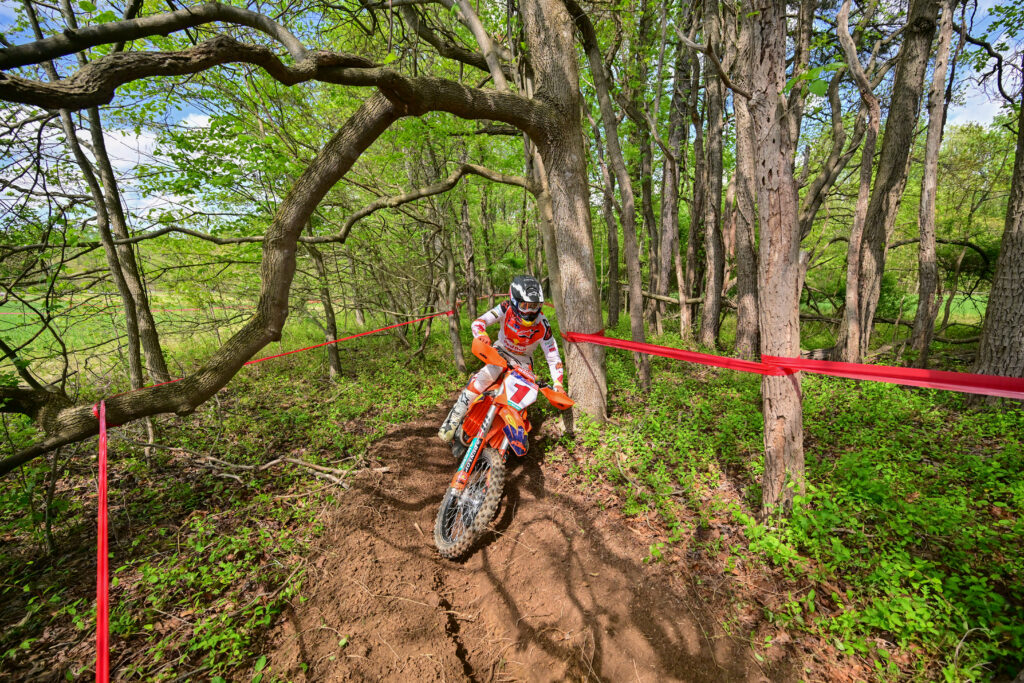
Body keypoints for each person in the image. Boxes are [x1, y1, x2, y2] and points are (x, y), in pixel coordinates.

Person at [438, 274, 564, 443]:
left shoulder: (543, 324)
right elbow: (478, 322)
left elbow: (552, 354)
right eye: (525, 306)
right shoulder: (506, 308)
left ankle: (508, 436)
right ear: (515, 301)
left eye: (535, 306)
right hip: (501, 351)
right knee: (485, 376)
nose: (531, 311)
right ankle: (453, 418)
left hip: (523, 361)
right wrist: (481, 334)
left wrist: (558, 384)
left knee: (522, 398)